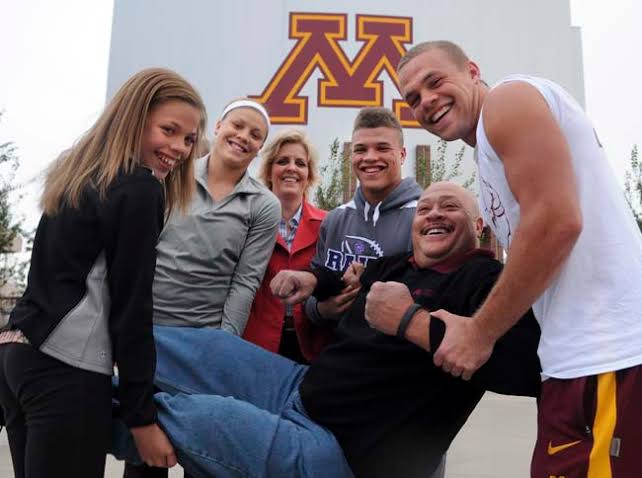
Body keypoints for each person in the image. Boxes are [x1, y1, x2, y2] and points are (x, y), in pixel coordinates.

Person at [111, 181, 541, 478]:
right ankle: (82, 360)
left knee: (198, 416)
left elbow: (526, 370)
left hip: (339, 452)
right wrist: (313, 280)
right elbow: (345, 280)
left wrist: (411, 321)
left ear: (478, 226)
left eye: (449, 207)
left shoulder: (485, 282)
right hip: (298, 387)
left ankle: (83, 410)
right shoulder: (395, 266)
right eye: (424, 208)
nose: (433, 214)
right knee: (203, 347)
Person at [397, 40, 642, 477]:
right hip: (578, 363)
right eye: (413, 98)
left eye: (434, 82)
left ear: (473, 71)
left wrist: (478, 333)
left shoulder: (507, 101)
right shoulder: (487, 152)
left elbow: (556, 222)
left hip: (607, 355)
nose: (426, 101)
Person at [0, 68, 206, 478]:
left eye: (189, 139)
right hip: (67, 367)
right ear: (134, 118)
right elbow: (131, 307)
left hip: (16, 354)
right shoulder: (140, 189)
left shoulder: (78, 175)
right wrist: (141, 417)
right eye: (168, 130)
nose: (179, 148)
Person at [122, 99, 280, 478]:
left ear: (260, 147)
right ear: (219, 126)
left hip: (203, 345)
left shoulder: (263, 205)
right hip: (149, 336)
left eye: (255, 134)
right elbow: (139, 254)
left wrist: (221, 348)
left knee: (206, 459)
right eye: (237, 125)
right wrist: (126, 333)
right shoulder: (171, 176)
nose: (243, 137)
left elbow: (245, 281)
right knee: (145, 457)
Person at [304, 107, 422, 329]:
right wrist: (321, 310)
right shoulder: (334, 220)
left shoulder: (423, 219)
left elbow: (433, 295)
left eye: (382, 148)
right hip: (339, 347)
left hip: (399, 349)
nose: (370, 157)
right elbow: (310, 295)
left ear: (402, 154)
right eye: (360, 149)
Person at [242, 129, 330, 363]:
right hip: (257, 343)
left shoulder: (329, 224)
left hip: (313, 345)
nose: (292, 168)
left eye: (300, 163)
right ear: (269, 171)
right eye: (282, 161)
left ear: (308, 175)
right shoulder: (248, 220)